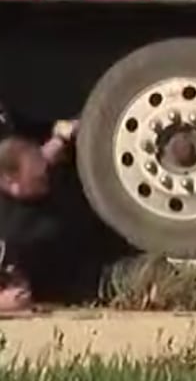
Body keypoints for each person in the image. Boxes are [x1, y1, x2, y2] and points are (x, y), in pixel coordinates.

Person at [0, 120, 130, 308]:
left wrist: (62, 136)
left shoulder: (36, 171)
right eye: (39, 179)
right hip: (95, 282)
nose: (46, 180)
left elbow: (48, 155)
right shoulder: (8, 230)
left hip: (113, 231)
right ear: (10, 181)